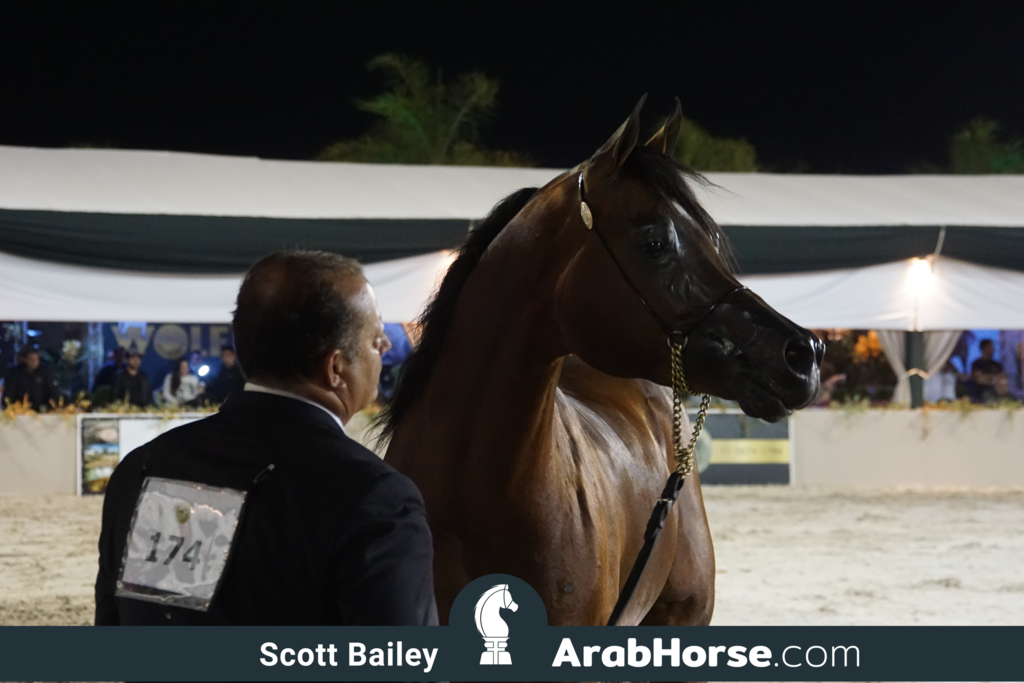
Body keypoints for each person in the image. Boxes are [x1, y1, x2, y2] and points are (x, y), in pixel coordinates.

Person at [95, 250, 436, 626]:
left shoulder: (141, 468)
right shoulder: (373, 497)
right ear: (336, 368)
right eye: (376, 338)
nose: (386, 347)